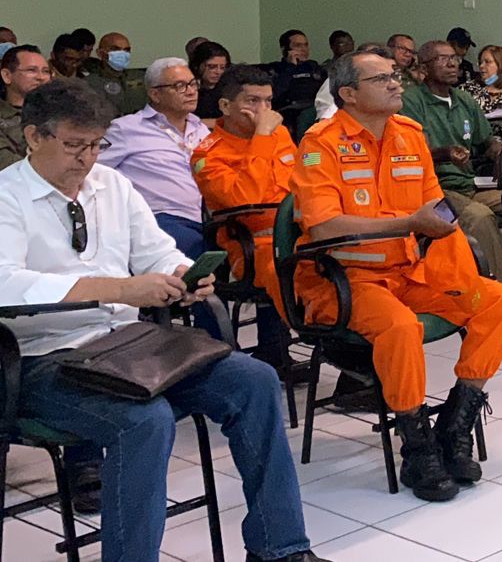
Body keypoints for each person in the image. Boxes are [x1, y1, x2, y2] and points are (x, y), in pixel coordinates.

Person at [0, 79, 331, 562]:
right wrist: (120, 288)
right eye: (74, 145)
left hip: (127, 348)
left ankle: (279, 546)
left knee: (256, 381)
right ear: (34, 137)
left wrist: (182, 272)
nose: (87, 158)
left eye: (97, 145)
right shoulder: (7, 196)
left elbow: (155, 248)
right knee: (145, 420)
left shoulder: (111, 185)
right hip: (42, 361)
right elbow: (6, 286)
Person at [295, 49, 502, 501]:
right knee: (399, 328)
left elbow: (435, 207)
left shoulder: (409, 134)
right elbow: (324, 227)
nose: (397, 83)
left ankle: (456, 426)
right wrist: (407, 225)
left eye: (395, 75)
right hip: (345, 277)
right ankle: (417, 448)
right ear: (349, 94)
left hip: (410, 272)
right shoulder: (320, 143)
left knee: (498, 301)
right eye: (382, 79)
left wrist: (447, 253)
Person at [398, 41, 502, 330]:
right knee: (479, 217)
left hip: (468, 185)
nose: (452, 64)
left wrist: (498, 151)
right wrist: (444, 153)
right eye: (442, 59)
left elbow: (486, 140)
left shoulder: (464, 100)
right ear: (423, 68)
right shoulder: (412, 102)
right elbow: (409, 155)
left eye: (454, 58)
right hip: (430, 195)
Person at [190, 64, 296, 368]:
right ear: (225, 106)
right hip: (248, 247)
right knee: (295, 270)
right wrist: (262, 136)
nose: (263, 110)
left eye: (268, 102)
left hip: (299, 234)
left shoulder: (282, 135)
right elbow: (245, 198)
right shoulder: (207, 154)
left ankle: (351, 363)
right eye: (252, 101)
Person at [100, 57, 210, 259]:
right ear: (155, 94)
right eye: (180, 86)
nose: (191, 91)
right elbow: (91, 171)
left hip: (208, 219)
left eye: (193, 83)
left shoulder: (201, 128)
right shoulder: (126, 129)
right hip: (160, 220)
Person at [1, 44, 51, 170]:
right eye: (31, 70)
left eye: (46, 71)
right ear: (7, 75)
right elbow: (6, 165)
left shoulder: (59, 113)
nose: (40, 77)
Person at [82, 32, 147, 116]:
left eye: (126, 50)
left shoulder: (141, 77)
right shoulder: (88, 83)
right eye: (115, 49)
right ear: (100, 53)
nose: (122, 53)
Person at [266, 29, 325, 116]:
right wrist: (291, 67)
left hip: (314, 110)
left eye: (306, 45)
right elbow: (274, 95)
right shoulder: (275, 69)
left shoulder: (314, 67)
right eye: (298, 45)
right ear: (285, 49)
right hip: (288, 112)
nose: (304, 49)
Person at [189, 40, 232, 120]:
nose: (218, 72)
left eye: (222, 68)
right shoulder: (189, 90)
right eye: (212, 67)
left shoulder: (229, 90)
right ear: (197, 66)